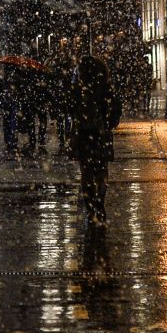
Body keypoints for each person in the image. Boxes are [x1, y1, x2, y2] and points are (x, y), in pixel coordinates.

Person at [67, 54, 121, 233]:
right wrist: (109, 123)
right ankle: (100, 202)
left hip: (82, 135)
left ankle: (90, 207)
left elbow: (69, 107)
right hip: (100, 135)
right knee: (101, 170)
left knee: (86, 172)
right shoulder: (105, 87)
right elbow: (115, 108)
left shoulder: (78, 87)